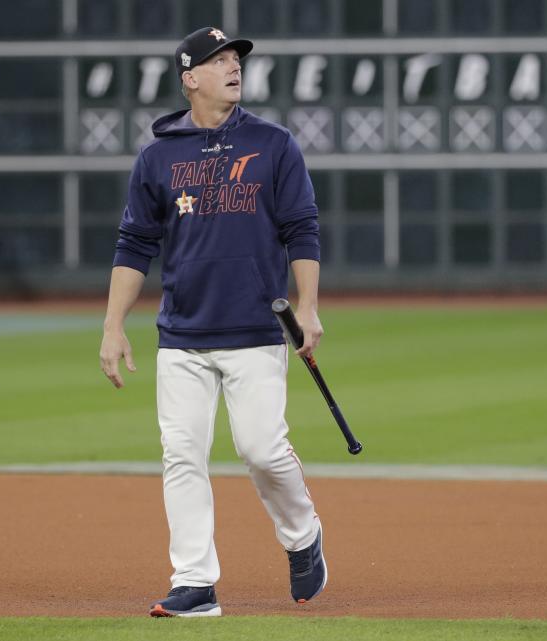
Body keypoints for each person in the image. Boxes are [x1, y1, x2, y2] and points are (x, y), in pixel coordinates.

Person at [99, 26, 327, 618]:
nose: (233, 67)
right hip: (182, 335)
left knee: (260, 450)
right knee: (182, 454)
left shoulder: (273, 144)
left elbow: (301, 228)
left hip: (255, 329)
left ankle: (302, 534)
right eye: (218, 60)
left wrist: (307, 306)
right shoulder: (158, 156)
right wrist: (112, 325)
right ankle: (195, 582)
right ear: (189, 78)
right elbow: (133, 245)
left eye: (236, 59)